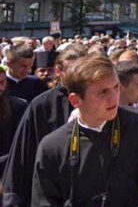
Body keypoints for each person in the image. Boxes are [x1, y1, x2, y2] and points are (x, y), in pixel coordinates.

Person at [31, 55, 138, 206]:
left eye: (116, 88)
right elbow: (44, 200)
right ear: (75, 100)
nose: (114, 97)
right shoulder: (53, 146)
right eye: (103, 92)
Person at [2, 47, 84, 207]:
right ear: (59, 71)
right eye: (73, 71)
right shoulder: (42, 105)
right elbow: (23, 155)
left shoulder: (95, 100)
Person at [0, 66, 28, 174]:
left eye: (2, 82)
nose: (0, 87)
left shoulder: (18, 106)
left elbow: (21, 145)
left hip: (8, 170)